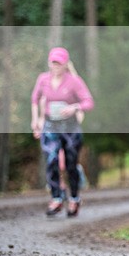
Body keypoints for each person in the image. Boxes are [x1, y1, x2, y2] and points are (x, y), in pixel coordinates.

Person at [31, 47, 94, 217]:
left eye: (59, 63)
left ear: (65, 64)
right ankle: (57, 198)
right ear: (49, 63)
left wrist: (75, 107)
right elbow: (35, 100)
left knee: (70, 164)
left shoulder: (74, 81)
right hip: (51, 126)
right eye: (53, 63)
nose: (56, 66)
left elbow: (88, 102)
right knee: (51, 160)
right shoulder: (43, 79)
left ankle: (74, 198)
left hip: (70, 127)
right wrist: (35, 120)